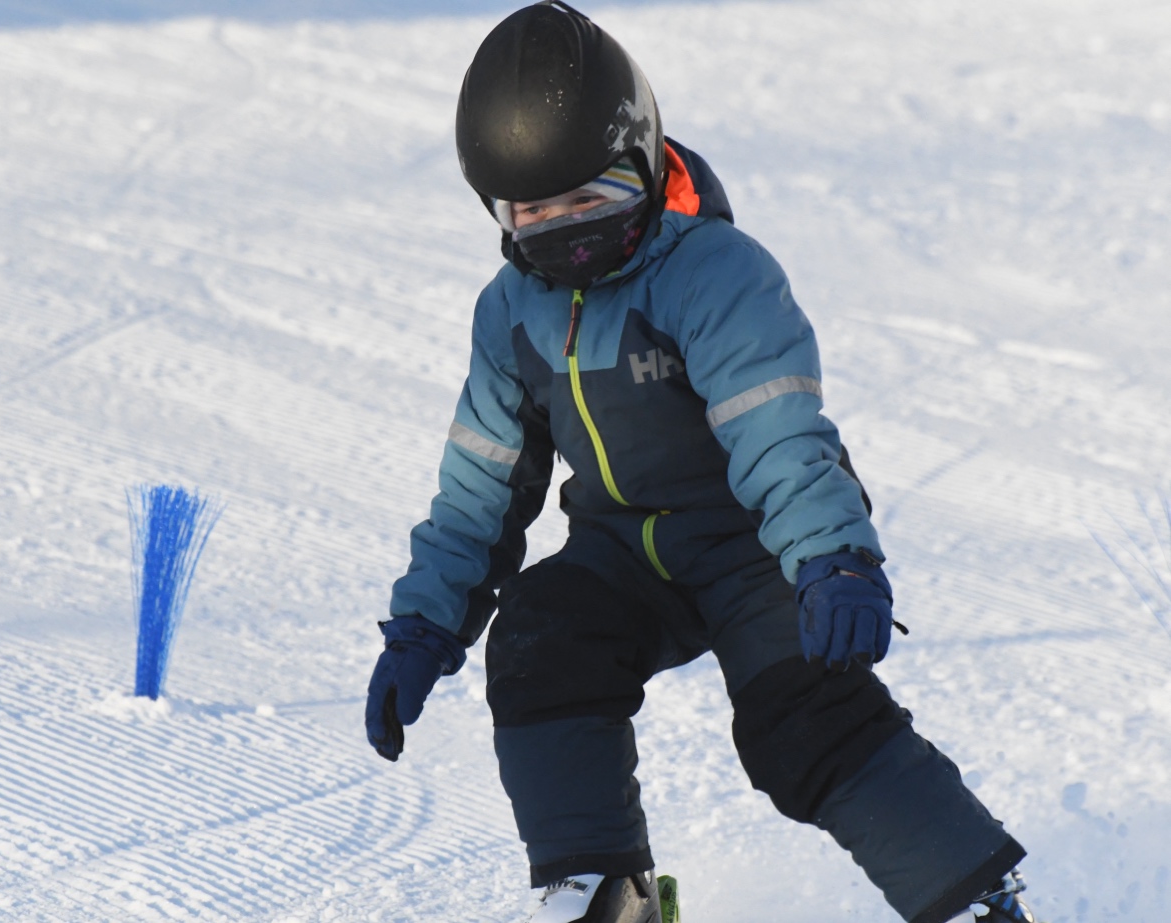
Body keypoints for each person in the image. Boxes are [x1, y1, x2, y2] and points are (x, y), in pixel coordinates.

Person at [363, 4, 1043, 922]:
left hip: (754, 543)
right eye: (531, 213)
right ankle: (603, 889)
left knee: (801, 714)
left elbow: (780, 432)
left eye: (590, 200)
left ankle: (970, 896)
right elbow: (482, 483)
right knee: (540, 639)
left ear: (641, 162)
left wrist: (831, 558)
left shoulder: (713, 272)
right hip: (624, 552)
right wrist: (423, 624)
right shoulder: (511, 309)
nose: (563, 233)